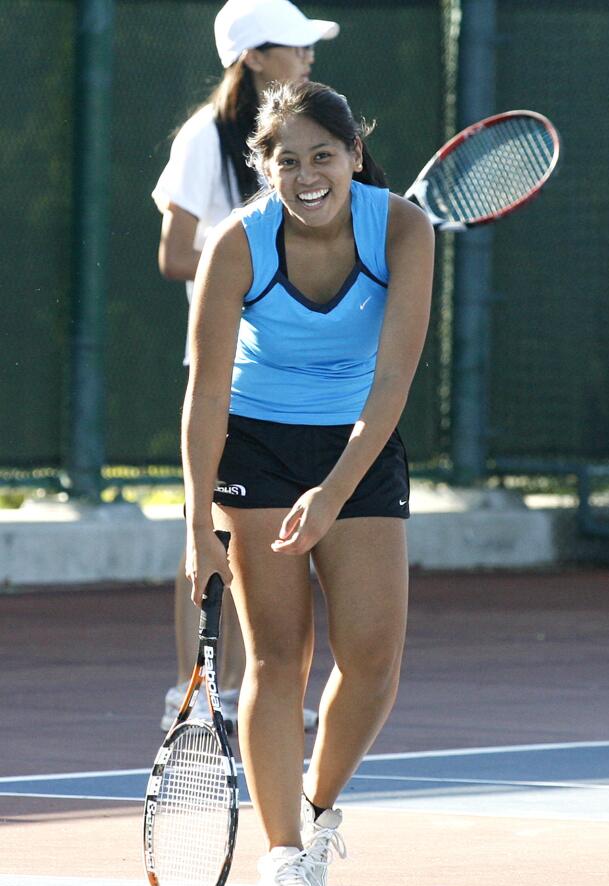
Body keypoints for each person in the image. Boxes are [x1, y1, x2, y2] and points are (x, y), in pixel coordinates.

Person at [182, 80, 435, 886]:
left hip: (359, 442)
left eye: (323, 155)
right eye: (286, 160)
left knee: (373, 663)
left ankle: (319, 815)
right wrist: (197, 523)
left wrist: (331, 494)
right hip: (255, 441)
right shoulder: (237, 243)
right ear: (265, 168)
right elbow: (207, 393)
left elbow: (394, 379)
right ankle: (283, 855)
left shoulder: (401, 227)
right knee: (276, 658)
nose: (307, 175)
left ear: (353, 155)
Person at [152, 0, 339, 734]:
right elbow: (173, 253)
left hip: (299, 380)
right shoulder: (206, 137)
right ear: (256, 57)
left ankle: (252, 698)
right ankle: (192, 696)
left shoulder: (320, 142)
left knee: (278, 543)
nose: (308, 58)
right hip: (227, 371)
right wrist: (256, 266)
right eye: (295, 47)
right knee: (210, 533)